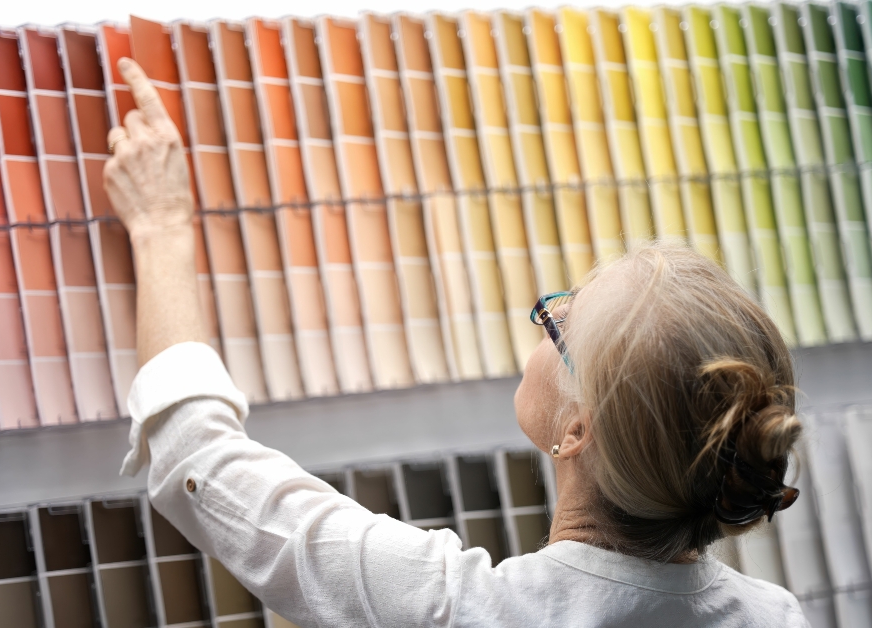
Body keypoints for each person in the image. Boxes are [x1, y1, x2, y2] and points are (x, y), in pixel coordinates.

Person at [105, 57, 808, 627]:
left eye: (561, 323)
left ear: (577, 430)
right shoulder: (776, 617)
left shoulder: (454, 610)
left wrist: (160, 225)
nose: (543, 319)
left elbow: (197, 458)